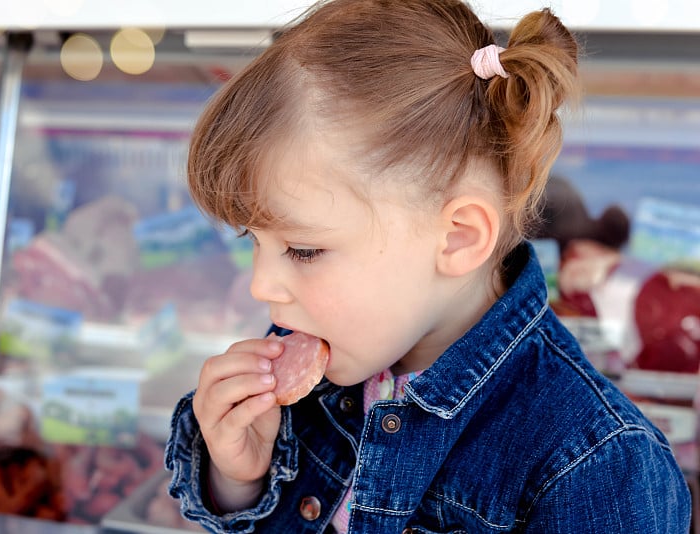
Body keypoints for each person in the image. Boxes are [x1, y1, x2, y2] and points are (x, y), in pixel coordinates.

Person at [166, 0, 692, 532]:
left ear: (458, 238)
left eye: (303, 250)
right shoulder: (326, 355)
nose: (262, 284)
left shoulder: (596, 468)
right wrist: (240, 481)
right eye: (252, 240)